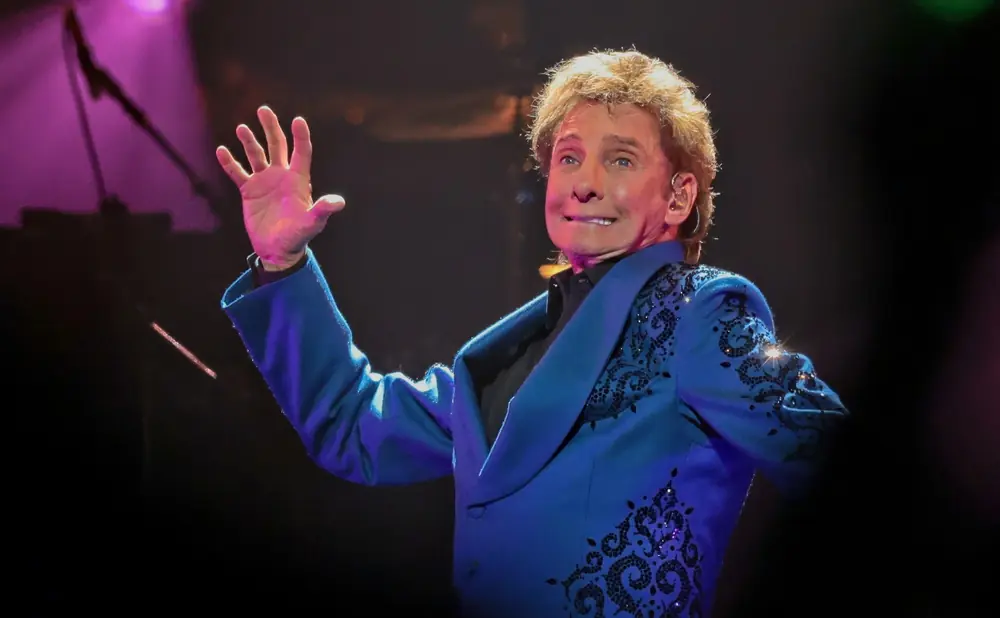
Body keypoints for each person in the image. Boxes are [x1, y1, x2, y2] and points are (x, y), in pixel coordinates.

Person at [217, 49, 847, 618]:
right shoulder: (507, 351)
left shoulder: (699, 313)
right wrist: (283, 265)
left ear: (680, 196)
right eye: (569, 157)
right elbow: (353, 428)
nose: (585, 181)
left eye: (620, 159)